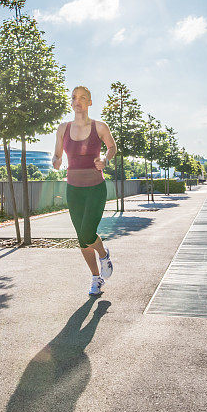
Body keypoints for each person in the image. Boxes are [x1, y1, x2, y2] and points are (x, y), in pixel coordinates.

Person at [52, 86, 117, 296]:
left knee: (88, 232)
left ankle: (104, 254)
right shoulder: (63, 129)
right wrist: (56, 160)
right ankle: (96, 278)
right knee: (82, 238)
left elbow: (112, 147)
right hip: (74, 189)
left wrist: (105, 160)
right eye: (74, 98)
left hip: (95, 188)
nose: (77, 101)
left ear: (89, 102)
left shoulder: (100, 127)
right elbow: (56, 155)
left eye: (82, 98)